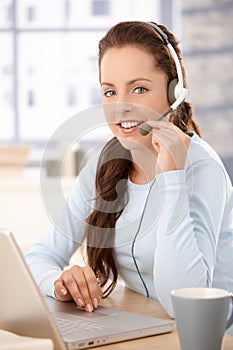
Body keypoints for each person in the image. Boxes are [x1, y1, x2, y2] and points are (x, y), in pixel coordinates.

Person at [25, 21, 233, 317]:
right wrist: (59, 283)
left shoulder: (203, 169)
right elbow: (40, 256)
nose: (121, 106)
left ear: (175, 92)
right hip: (141, 327)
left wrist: (172, 179)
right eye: (110, 92)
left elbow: (184, 302)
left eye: (139, 89)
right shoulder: (102, 163)